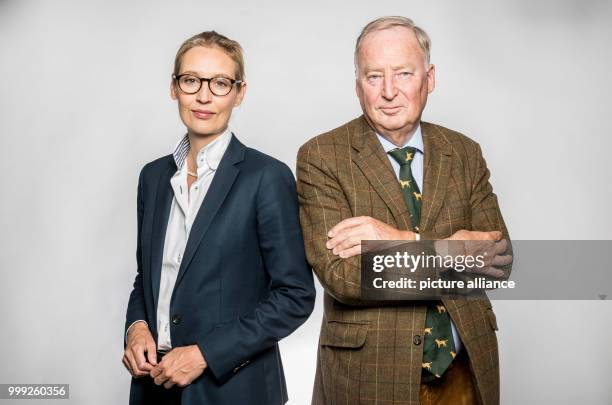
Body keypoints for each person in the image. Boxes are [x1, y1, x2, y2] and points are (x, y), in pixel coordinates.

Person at [297, 17, 512, 405]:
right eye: (374, 76)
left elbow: (499, 262)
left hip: (466, 369)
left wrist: (402, 240)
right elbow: (345, 277)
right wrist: (455, 251)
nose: (389, 91)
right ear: (357, 85)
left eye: (403, 73)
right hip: (369, 376)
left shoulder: (464, 152)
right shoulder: (321, 156)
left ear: (429, 78)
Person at [123, 31, 315, 405]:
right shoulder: (152, 178)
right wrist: (137, 328)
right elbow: (147, 278)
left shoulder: (266, 177)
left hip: (234, 391)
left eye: (221, 83)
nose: (204, 96)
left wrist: (205, 354)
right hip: (152, 387)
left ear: (239, 93)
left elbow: (295, 296)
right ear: (174, 88)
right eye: (191, 80)